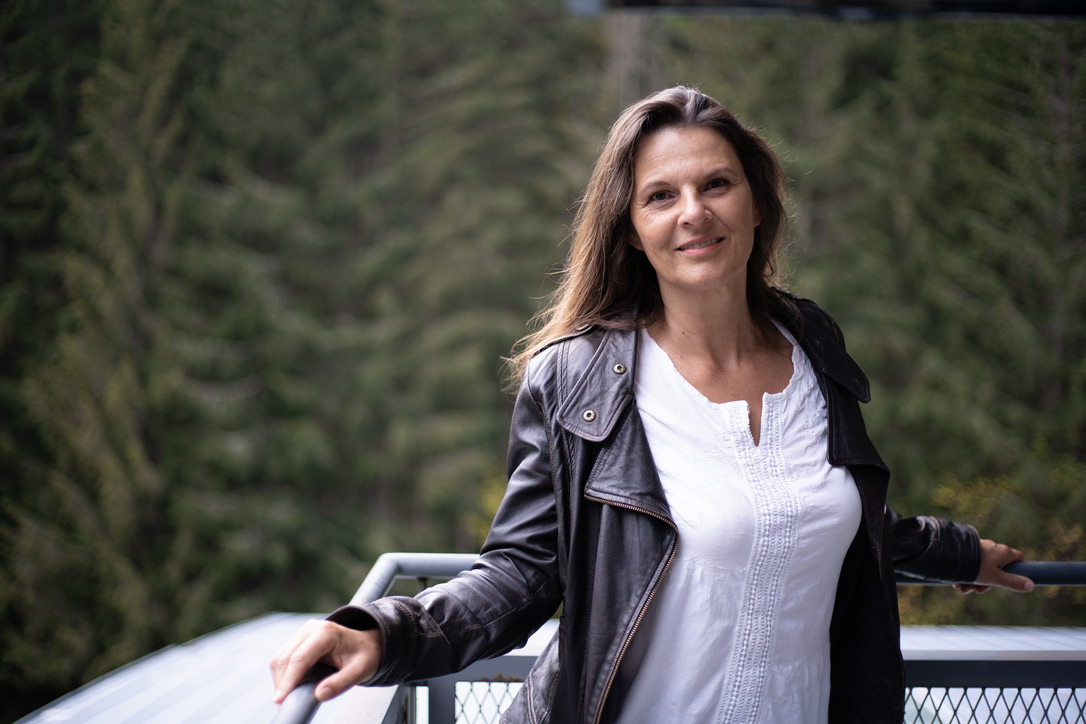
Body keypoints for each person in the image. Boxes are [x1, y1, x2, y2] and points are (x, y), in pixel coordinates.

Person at [271, 86, 1034, 723]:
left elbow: (809, 507)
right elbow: (522, 571)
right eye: (661, 196)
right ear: (633, 230)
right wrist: (383, 632)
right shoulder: (578, 380)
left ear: (757, 202)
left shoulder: (815, 348)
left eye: (717, 184)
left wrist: (952, 551)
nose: (693, 212)